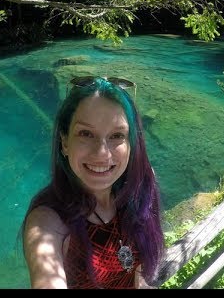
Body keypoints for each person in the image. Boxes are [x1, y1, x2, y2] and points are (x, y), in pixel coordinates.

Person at [20, 76, 165, 289]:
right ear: (65, 142)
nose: (102, 153)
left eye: (117, 136)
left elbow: (137, 272)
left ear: (132, 143)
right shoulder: (48, 221)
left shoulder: (140, 190)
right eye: (86, 133)